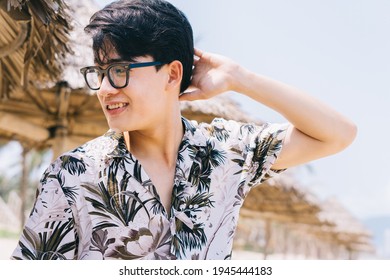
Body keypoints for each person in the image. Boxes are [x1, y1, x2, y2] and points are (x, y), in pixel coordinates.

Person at [11, 0, 356, 260]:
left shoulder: (226, 153)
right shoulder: (72, 175)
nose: (103, 88)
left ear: (172, 74)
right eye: (99, 73)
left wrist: (241, 79)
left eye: (118, 70)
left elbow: (338, 133)